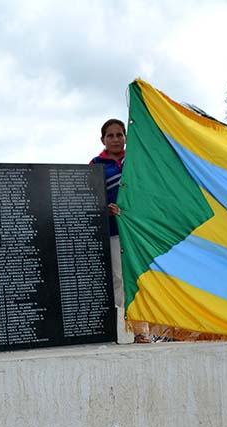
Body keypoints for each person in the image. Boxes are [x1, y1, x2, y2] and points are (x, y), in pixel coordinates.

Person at [91, 119, 135, 343]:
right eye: (111, 135)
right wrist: (103, 207)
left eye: (120, 135)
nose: (116, 139)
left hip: (139, 233)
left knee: (141, 278)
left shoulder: (137, 158)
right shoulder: (96, 164)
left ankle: (144, 330)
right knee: (119, 280)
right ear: (103, 140)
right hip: (114, 232)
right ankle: (124, 330)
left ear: (126, 137)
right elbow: (88, 197)